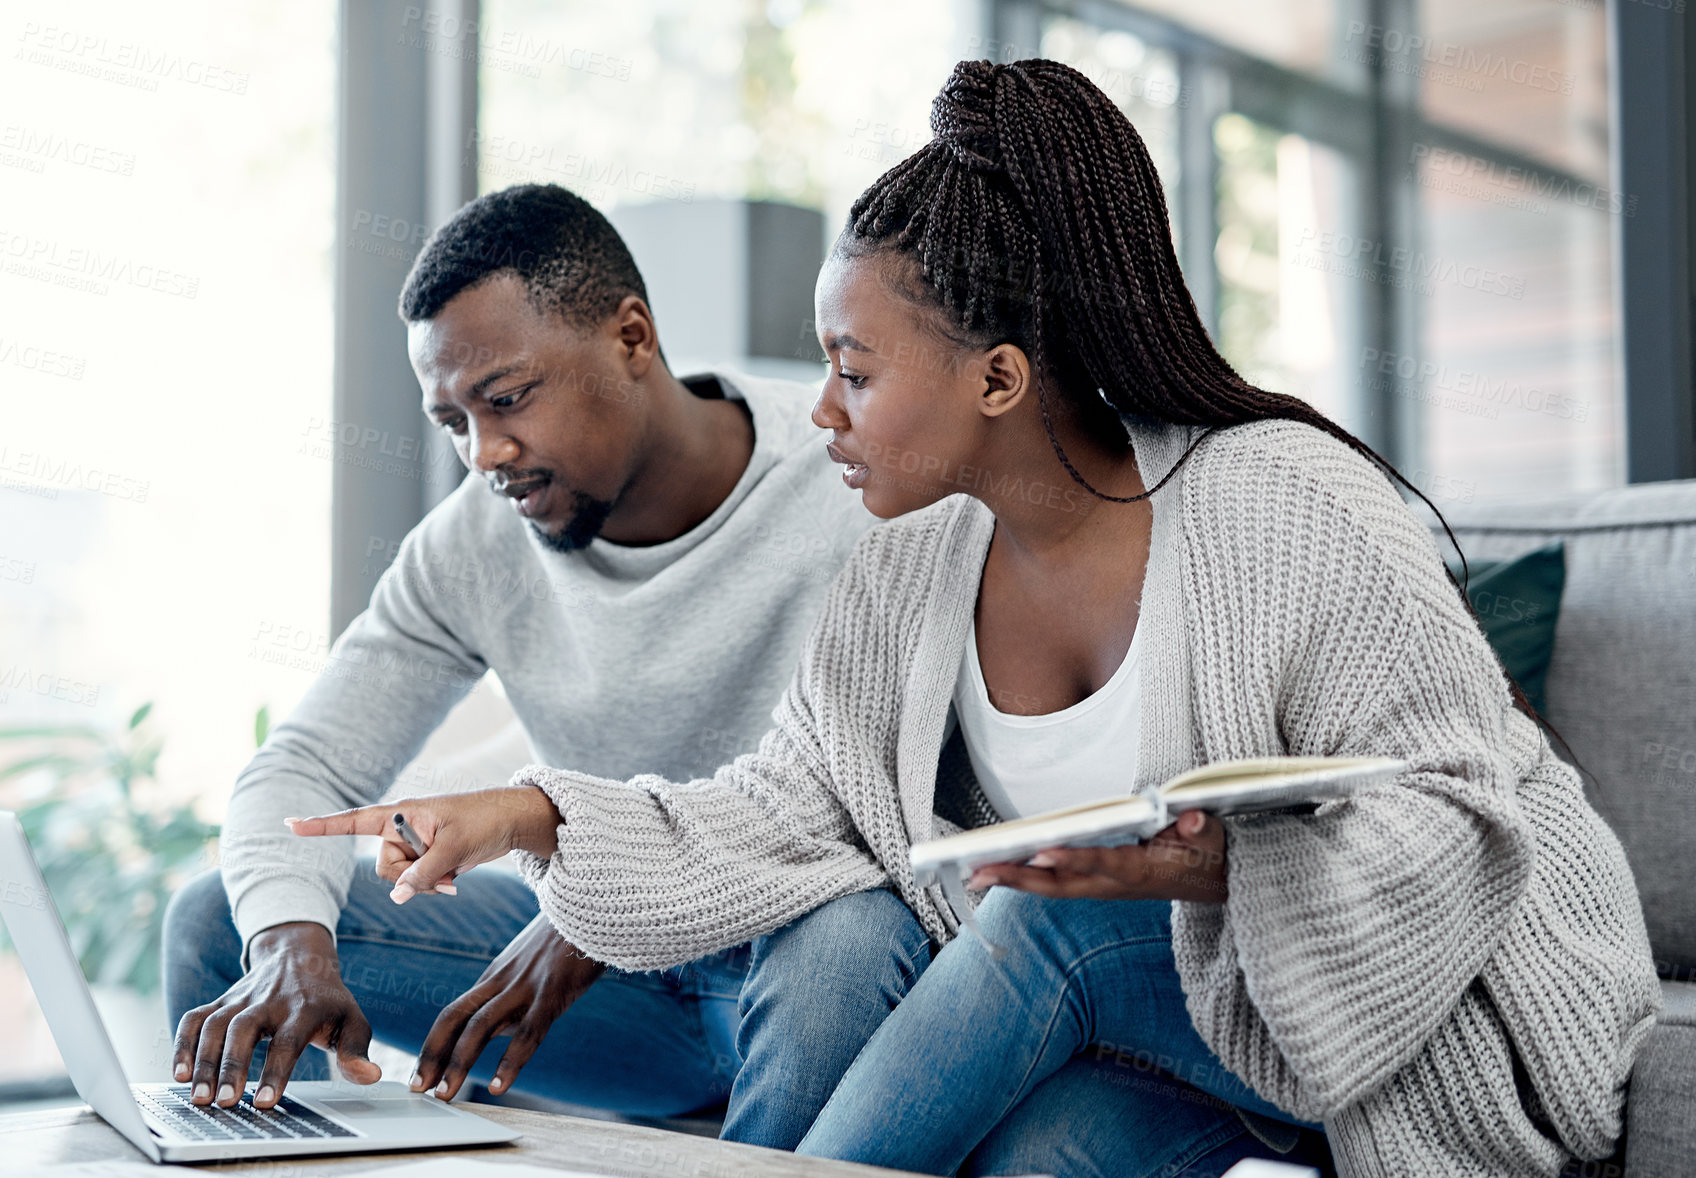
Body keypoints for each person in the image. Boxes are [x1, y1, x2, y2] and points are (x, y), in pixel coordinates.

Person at [290, 61, 1662, 1178]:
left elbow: (1460, 813)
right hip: (1194, 1012)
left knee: (1035, 925)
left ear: (999, 376)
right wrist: (533, 814)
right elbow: (791, 805)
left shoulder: (1282, 504)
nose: (818, 410)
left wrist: (1219, 871)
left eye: (852, 369)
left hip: (1423, 995)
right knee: (1036, 1155)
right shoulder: (908, 565)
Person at [159, 183, 933, 1151]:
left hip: (798, 961)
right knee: (223, 919)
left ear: (632, 338)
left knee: (849, 939)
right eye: (452, 420)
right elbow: (302, 768)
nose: (485, 454)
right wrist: (286, 940)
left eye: (508, 397)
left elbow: (896, 812)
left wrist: (607, 905)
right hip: (620, 1006)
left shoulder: (849, 488)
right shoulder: (477, 543)